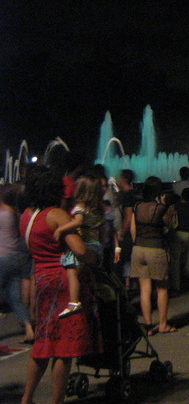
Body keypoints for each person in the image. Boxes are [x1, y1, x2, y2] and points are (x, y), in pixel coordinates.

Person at [19, 167, 99, 404]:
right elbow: (81, 250)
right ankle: (57, 401)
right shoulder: (56, 215)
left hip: (41, 280)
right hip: (65, 283)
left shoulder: (26, 216)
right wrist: (96, 257)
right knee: (63, 349)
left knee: (43, 343)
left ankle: (26, 398)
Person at [53, 175, 109, 319]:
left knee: (72, 272)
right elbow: (103, 230)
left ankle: (73, 302)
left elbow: (78, 222)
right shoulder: (98, 208)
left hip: (86, 243)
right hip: (96, 245)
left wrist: (61, 229)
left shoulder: (80, 207)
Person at [131, 176, 177, 335]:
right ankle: (163, 324)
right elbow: (170, 226)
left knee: (144, 290)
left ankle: (149, 325)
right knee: (162, 288)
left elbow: (133, 230)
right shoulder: (160, 208)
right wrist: (165, 204)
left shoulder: (137, 206)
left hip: (138, 249)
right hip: (156, 248)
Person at [0, 184, 34, 343]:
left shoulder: (2, 214)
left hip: (2, 258)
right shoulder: (16, 214)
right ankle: (28, 329)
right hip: (16, 258)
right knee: (15, 297)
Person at [167, 187, 189, 292]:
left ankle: (176, 285)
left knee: (176, 260)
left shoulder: (176, 206)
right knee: (188, 258)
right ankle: (187, 282)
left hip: (178, 233)